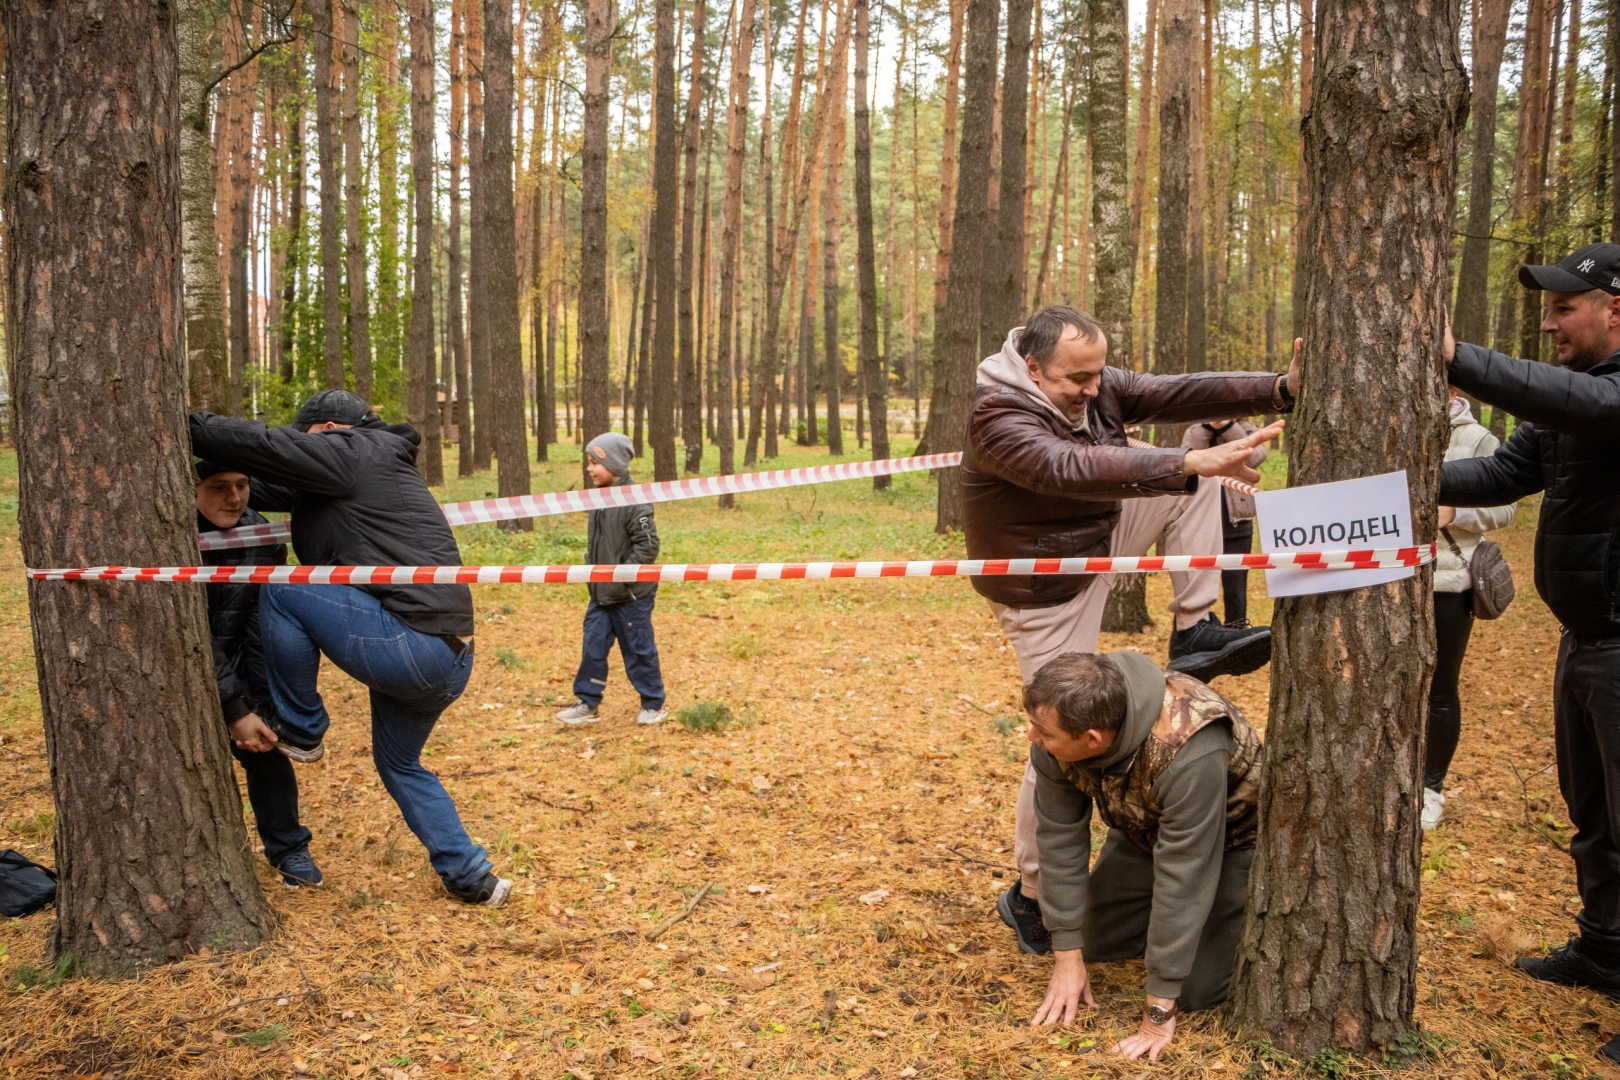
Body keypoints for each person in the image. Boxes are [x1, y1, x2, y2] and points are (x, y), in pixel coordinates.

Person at [964, 305, 1294, 953]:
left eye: (1098, 374)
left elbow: (1176, 392)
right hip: (1044, 587)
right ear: (1033, 368)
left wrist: (1279, 388)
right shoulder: (998, 415)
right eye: (1076, 379)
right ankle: (1032, 895)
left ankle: (1195, 628)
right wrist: (1188, 460)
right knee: (1057, 735)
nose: (1093, 389)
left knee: (1190, 481)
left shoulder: (1094, 382)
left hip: (1094, 538)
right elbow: (1067, 467)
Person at [189, 389, 509, 908]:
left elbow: (266, 446)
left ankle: (301, 728)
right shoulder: (357, 471)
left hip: (413, 644)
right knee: (400, 765)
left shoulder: (357, 451)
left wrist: (186, 425)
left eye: (306, 442)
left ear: (329, 432)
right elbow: (260, 481)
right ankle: (471, 877)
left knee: (282, 587)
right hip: (448, 657)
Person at [1441, 242, 1620, 1024]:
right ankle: (1604, 950)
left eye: (1564, 309)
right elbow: (1501, 475)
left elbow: (1583, 405)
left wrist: (1456, 356)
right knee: (1593, 814)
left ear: (1615, 309)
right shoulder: (1568, 403)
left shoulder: (1596, 398)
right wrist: (1395, 479)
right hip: (1585, 638)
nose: (1549, 325)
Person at [1021, 651, 1262, 1061]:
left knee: (1195, 992)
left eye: (1042, 731)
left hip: (1234, 841)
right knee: (1090, 941)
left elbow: (1184, 876)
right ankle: (1165, 930)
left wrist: (1159, 1007)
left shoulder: (1188, 749)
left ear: (1092, 739)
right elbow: (1059, 838)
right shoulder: (1057, 737)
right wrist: (1066, 954)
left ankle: (1220, 921)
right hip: (1143, 830)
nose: (1032, 736)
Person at [196, 463, 321, 888]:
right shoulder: (168, 534)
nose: (234, 498)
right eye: (219, 487)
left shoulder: (261, 534)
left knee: (265, 746)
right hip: (177, 669)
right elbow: (188, 631)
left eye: (242, 485)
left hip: (235, 661)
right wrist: (232, 707)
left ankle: (288, 848)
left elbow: (261, 623)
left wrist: (259, 705)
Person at [1423, 389, 1516, 832]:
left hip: (1448, 584)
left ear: (1454, 388)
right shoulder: (1387, 422)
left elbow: (1506, 506)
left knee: (1440, 690)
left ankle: (1430, 789)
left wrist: (1455, 512)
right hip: (1386, 582)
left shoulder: (1477, 439)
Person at [556, 433, 669, 726]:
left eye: (595, 463)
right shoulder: (598, 498)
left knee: (639, 650)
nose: (589, 469)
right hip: (601, 594)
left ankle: (653, 704)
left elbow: (648, 547)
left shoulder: (634, 500)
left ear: (614, 464)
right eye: (589, 462)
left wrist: (620, 579)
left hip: (631, 596)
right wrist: (592, 573)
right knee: (592, 647)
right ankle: (588, 702)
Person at [1180, 420, 1266, 627]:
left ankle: (1236, 631)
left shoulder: (1247, 430)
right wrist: (1207, 427)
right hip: (1201, 525)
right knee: (1196, 586)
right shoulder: (1194, 431)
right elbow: (1185, 463)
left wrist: (1228, 427)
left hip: (1236, 526)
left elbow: (1255, 458)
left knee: (1235, 588)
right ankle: (1197, 629)